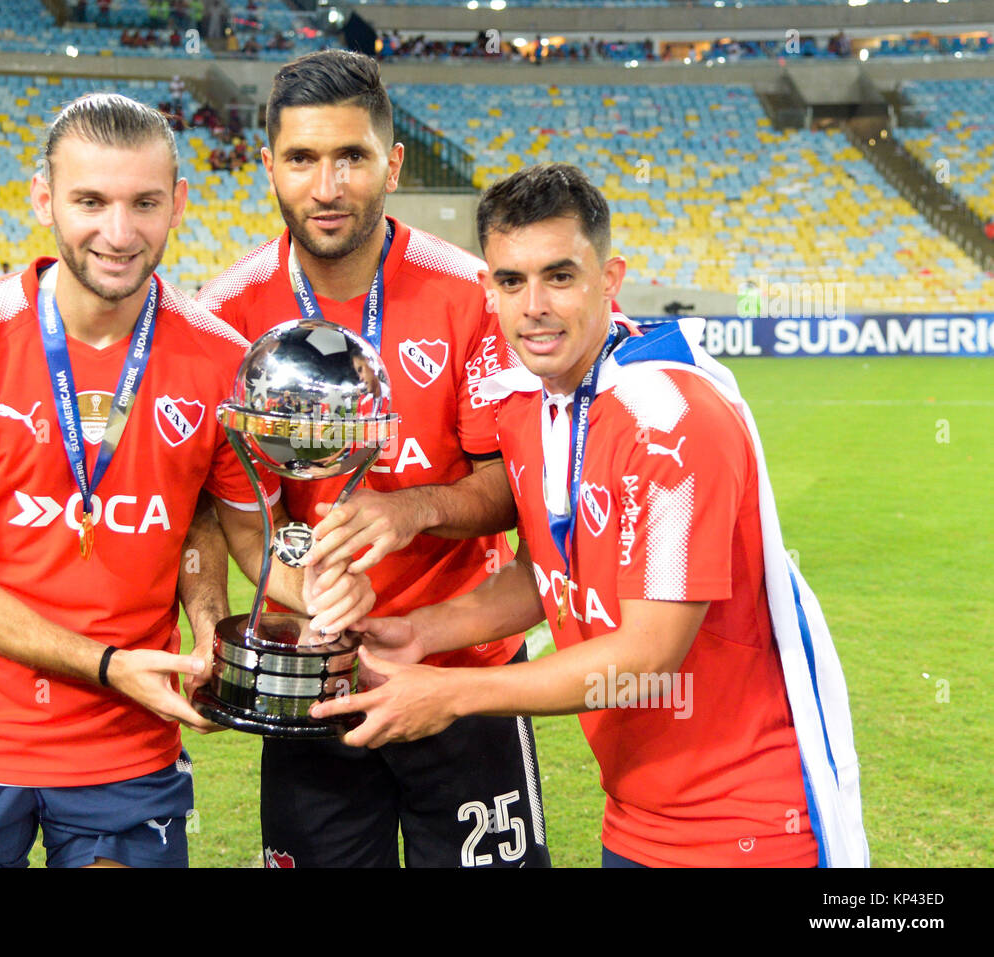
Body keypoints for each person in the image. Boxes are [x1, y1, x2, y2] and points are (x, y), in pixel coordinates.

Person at [311, 163, 870, 868]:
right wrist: (421, 632)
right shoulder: (527, 406)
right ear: (489, 288)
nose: (534, 304)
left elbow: (646, 658)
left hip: (746, 824)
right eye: (511, 281)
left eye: (561, 276)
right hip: (634, 818)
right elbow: (545, 571)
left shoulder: (672, 420)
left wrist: (453, 692)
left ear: (609, 280)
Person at [0, 92, 372, 868]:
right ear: (44, 200)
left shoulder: (219, 359)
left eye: (143, 202)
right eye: (90, 201)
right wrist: (106, 664)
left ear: (178, 203)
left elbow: (232, 531)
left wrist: (252, 617)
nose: (118, 231)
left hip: (126, 738)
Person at [194, 51, 549, 869]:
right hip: (310, 675)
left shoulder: (469, 295)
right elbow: (223, 507)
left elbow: (516, 489)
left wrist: (412, 508)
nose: (326, 187)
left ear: (391, 163)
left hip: (462, 671)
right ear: (268, 168)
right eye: (302, 159)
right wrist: (254, 608)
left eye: (350, 156)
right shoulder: (223, 315)